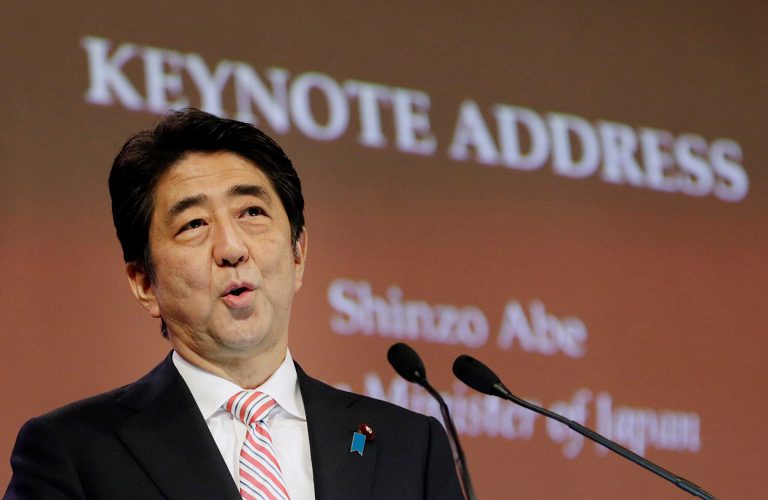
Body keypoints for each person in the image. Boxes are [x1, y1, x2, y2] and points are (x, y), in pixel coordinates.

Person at [5, 109, 464, 500]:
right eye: (194, 224)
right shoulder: (74, 451)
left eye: (251, 213)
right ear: (144, 283)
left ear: (298, 253)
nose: (231, 248)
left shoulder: (409, 445)